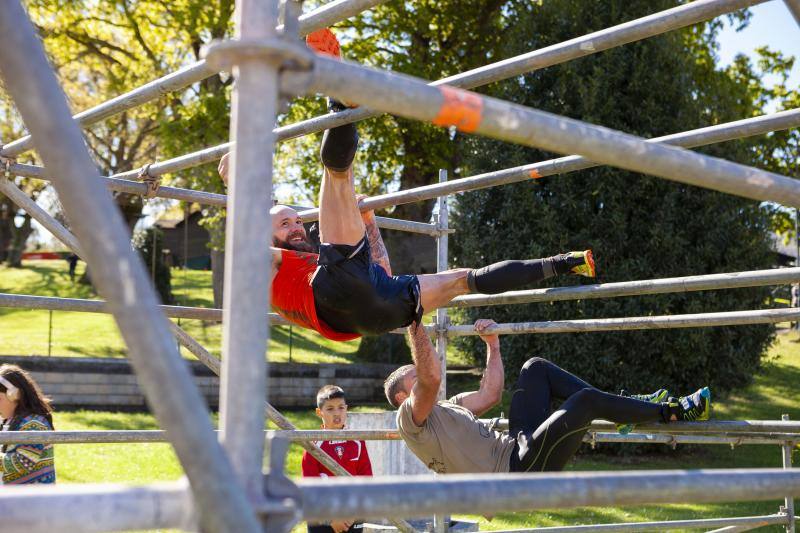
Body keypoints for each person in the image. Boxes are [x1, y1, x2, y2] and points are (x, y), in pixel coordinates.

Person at [218, 28, 596, 341]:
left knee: (465, 280)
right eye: (285, 224)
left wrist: (368, 222)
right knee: (336, 178)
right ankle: (335, 90)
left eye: (296, 220)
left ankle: (565, 263)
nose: (298, 227)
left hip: (376, 313)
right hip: (335, 297)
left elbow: (380, 270)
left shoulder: (314, 260)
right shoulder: (269, 262)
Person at [384, 319, 711, 474]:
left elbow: (491, 393)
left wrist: (493, 345)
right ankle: (671, 411)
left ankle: (631, 409)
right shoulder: (410, 421)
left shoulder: (447, 406)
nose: (422, 378)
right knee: (584, 402)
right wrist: (413, 319)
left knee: (534, 367)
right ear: (402, 396)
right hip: (513, 474)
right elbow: (429, 376)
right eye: (413, 378)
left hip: (518, 446)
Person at [302, 385, 371, 533]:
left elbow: (367, 480)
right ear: (319, 412)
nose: (337, 413)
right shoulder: (313, 445)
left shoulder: (358, 442)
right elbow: (310, 488)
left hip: (353, 514)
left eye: (341, 407)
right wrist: (331, 520)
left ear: (347, 408)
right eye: (330, 409)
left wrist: (352, 516)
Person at [0, 364, 56, 484]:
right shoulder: (9, 421)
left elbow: (23, 463)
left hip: (34, 499)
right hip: (15, 498)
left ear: (14, 395)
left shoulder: (34, 423)